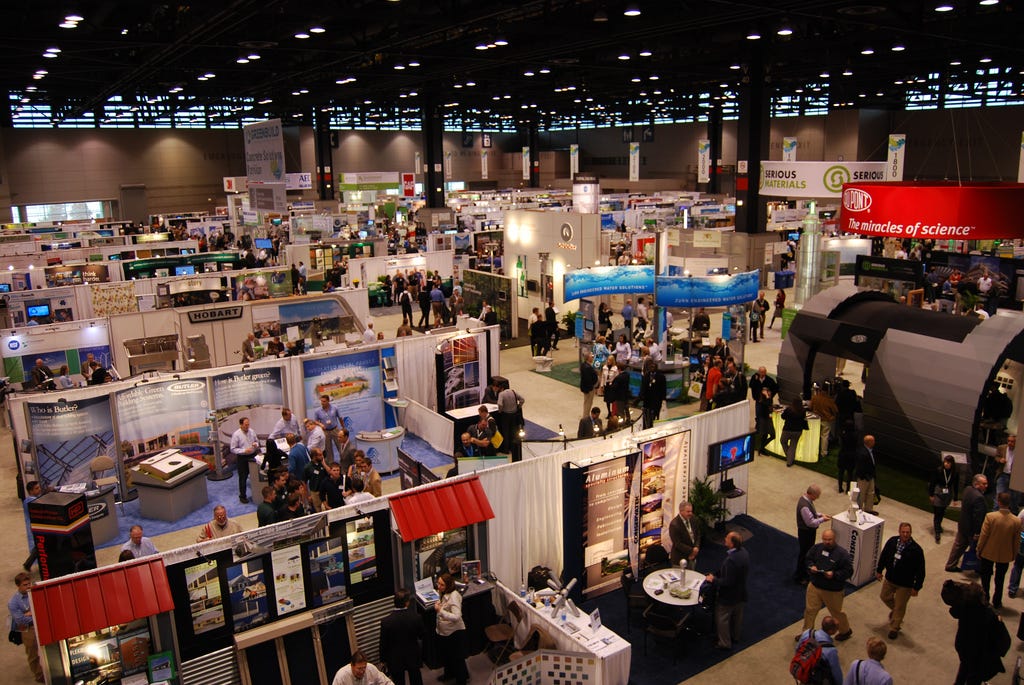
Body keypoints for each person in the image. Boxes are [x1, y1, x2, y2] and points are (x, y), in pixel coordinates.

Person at [875, 522, 925, 639]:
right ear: (899, 532)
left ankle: (894, 628)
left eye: (908, 532)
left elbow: (921, 570)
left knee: (900, 606)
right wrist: (879, 570)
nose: (905, 534)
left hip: (905, 584)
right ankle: (897, 613)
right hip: (890, 578)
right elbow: (884, 555)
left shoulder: (916, 550)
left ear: (911, 533)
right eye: (903, 532)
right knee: (885, 597)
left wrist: (916, 587)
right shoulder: (892, 542)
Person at [802, 529, 853, 642]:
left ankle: (845, 631)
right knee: (810, 610)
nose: (827, 542)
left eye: (829, 539)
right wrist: (811, 566)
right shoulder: (816, 548)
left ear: (834, 539)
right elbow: (808, 559)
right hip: (815, 586)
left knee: (836, 613)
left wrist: (834, 574)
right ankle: (806, 633)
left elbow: (848, 571)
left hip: (833, 590)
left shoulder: (842, 554)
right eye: (825, 539)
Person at [705, 531, 749, 650]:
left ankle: (724, 643)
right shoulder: (744, 553)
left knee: (722, 617)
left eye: (727, 538)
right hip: (740, 593)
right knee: (737, 615)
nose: (725, 539)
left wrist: (713, 579)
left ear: (732, 543)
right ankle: (735, 636)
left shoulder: (731, 561)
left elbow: (727, 582)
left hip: (729, 596)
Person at [977, 491, 1022, 608]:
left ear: (999, 501)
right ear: (1009, 503)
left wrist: (979, 549)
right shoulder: (1016, 521)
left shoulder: (990, 517)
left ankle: (985, 598)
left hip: (988, 552)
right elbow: (1016, 540)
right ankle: (997, 602)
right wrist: (1013, 554)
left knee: (985, 578)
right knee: (1000, 580)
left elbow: (984, 536)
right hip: (1005, 555)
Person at [379, 588, 424, 685]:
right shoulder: (416, 618)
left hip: (395, 658)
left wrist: (383, 660)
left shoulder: (386, 622)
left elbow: (383, 643)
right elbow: (421, 635)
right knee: (416, 678)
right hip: (412, 654)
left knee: (398, 681)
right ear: (407, 603)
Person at [947, 473, 990, 573]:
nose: (986, 486)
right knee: (978, 550)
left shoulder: (967, 490)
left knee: (958, 546)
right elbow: (978, 518)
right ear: (977, 484)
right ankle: (977, 567)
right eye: (984, 484)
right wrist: (977, 533)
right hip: (972, 530)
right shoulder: (979, 498)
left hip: (963, 525)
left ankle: (950, 564)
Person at [434, 573, 468, 685]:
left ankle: (461, 680)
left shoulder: (453, 597)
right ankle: (449, 674)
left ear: (448, 585)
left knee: (457, 659)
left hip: (455, 633)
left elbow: (457, 616)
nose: (439, 586)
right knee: (447, 656)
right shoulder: (443, 593)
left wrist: (440, 611)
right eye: (438, 583)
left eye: (442, 585)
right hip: (445, 632)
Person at [9, 572, 43, 683]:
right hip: (27, 628)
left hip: (41, 623)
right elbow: (21, 620)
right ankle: (39, 675)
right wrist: (36, 614)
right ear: (18, 586)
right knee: (32, 652)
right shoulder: (13, 602)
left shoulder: (36, 591)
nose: (28, 586)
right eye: (25, 585)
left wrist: (30, 613)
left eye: (29, 583)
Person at [795, 485, 831, 585]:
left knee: (807, 553)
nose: (818, 498)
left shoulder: (806, 500)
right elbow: (810, 522)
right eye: (817, 495)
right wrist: (822, 519)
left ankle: (804, 574)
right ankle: (800, 576)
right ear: (812, 494)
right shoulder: (804, 506)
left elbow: (811, 514)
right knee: (805, 554)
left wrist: (820, 515)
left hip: (807, 532)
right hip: (806, 533)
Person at [794, 616, 843, 685]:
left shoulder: (807, 633)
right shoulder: (830, 650)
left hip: (803, 671)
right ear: (831, 631)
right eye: (837, 628)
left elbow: (797, 649)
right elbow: (836, 672)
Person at [930, 454, 959, 543]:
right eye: (945, 462)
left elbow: (956, 486)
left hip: (947, 494)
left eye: (948, 462)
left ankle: (938, 525)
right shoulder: (939, 470)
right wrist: (931, 495)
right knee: (937, 511)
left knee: (942, 512)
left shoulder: (955, 473)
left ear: (952, 464)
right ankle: (937, 531)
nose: (946, 464)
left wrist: (955, 498)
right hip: (938, 492)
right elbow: (933, 482)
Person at [230, 417, 260, 503]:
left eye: (248, 424)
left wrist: (256, 444)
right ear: (241, 425)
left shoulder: (252, 431)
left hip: (253, 456)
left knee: (255, 476)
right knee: (243, 478)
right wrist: (244, 450)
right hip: (242, 458)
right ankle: (242, 496)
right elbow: (232, 449)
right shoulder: (236, 435)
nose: (247, 426)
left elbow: (257, 441)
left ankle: (257, 493)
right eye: (245, 425)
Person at [314, 394, 347, 466]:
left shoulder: (335, 408)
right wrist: (320, 424)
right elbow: (315, 421)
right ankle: (331, 466)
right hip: (325, 432)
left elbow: (340, 418)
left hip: (335, 430)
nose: (322, 403)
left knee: (340, 446)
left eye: (324, 401)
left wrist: (343, 428)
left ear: (328, 401)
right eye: (321, 401)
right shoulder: (317, 411)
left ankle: (344, 463)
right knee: (328, 450)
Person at [668, 501, 700, 567]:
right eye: (688, 512)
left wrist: (696, 547)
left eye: (691, 511)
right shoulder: (674, 524)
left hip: (692, 557)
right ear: (681, 511)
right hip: (679, 559)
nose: (690, 513)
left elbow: (698, 534)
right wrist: (692, 551)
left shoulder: (693, 519)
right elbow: (678, 543)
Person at [809, 386, 838, 458]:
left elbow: (810, 407)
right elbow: (835, 411)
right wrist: (833, 417)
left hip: (816, 419)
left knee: (815, 436)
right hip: (826, 420)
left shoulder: (815, 397)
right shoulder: (829, 400)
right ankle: (823, 453)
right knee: (824, 436)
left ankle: (813, 450)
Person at [780, 397, 808, 467]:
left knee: (783, 441)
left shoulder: (789, 409)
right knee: (793, 445)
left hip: (787, 430)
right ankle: (790, 460)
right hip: (798, 431)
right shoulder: (803, 411)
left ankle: (789, 458)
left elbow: (783, 417)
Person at [640, 357, 666, 429]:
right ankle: (645, 428)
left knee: (654, 418)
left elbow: (663, 389)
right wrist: (641, 396)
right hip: (647, 401)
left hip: (656, 401)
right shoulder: (646, 375)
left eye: (653, 367)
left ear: (656, 368)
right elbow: (643, 387)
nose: (652, 368)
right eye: (651, 367)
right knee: (646, 417)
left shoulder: (661, 376)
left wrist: (663, 399)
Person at [994, 434, 1019, 511]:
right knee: (999, 494)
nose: (1009, 443)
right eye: (1008, 441)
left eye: (1012, 441)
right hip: (1003, 475)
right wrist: (1000, 460)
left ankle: (1013, 513)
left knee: (1013, 497)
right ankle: (995, 511)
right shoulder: (1002, 448)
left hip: (1014, 477)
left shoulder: (1020, 450)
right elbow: (996, 456)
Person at [855, 434, 878, 514]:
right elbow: (860, 467)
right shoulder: (862, 452)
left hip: (870, 476)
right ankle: (858, 510)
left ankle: (868, 509)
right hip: (863, 478)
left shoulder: (871, 450)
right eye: (873, 441)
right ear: (869, 442)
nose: (874, 442)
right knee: (861, 494)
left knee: (870, 493)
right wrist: (865, 476)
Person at [836, 419, 859, 494]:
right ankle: (848, 489)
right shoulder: (855, 435)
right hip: (851, 455)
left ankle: (840, 488)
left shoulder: (843, 434)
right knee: (850, 473)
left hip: (843, 454)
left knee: (841, 472)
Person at [754, 387, 775, 455]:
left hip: (768, 419)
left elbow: (769, 407)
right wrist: (767, 396)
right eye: (767, 392)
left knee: (772, 435)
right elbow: (767, 405)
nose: (770, 393)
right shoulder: (761, 400)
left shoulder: (769, 399)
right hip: (764, 420)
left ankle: (761, 448)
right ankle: (761, 449)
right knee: (764, 435)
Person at [580, 351, 599, 417]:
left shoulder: (584, 365)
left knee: (587, 403)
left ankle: (586, 416)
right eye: (591, 357)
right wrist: (592, 385)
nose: (593, 358)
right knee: (588, 403)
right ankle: (585, 417)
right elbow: (588, 380)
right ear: (588, 358)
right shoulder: (587, 367)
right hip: (589, 389)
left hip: (587, 387)